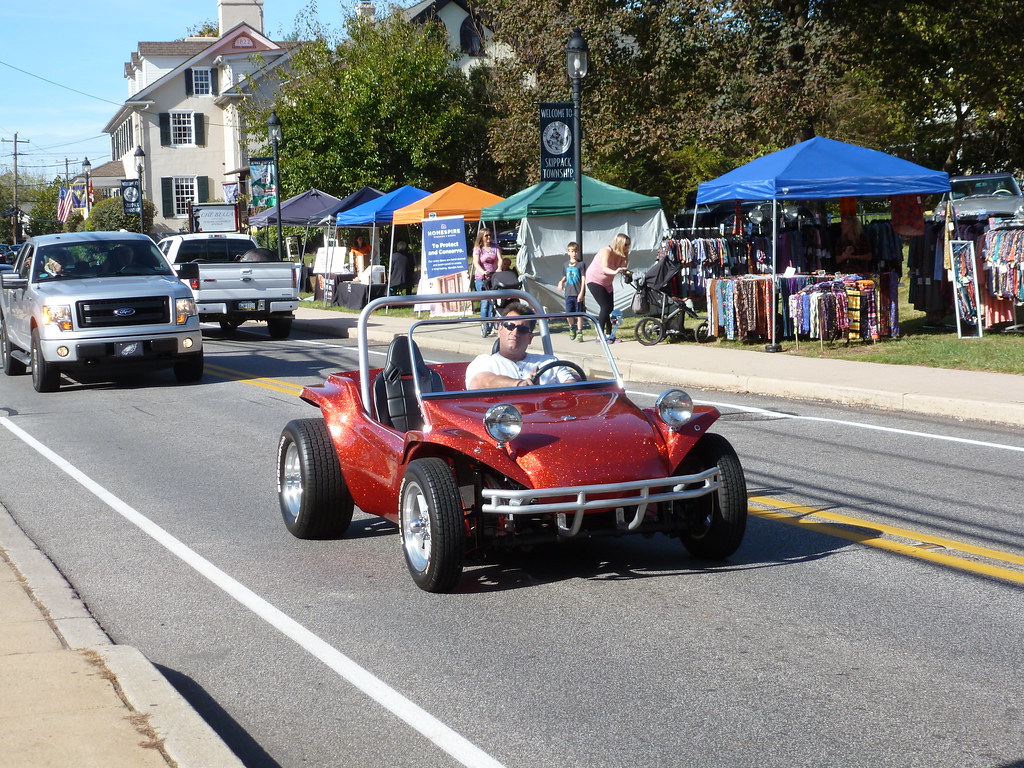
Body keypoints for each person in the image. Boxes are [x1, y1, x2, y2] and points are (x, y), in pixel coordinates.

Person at [465, 301, 581, 389]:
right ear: (500, 330)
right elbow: (480, 382)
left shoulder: (549, 362)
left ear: (530, 338)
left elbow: (572, 387)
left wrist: (543, 392)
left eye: (522, 329)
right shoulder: (485, 361)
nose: (515, 332)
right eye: (509, 326)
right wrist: (519, 384)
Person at [585, 233, 631, 342]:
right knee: (605, 307)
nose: (627, 247)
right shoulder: (606, 251)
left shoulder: (624, 254)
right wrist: (616, 271)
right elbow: (605, 269)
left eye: (628, 244)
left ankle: (610, 334)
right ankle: (600, 335)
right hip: (594, 280)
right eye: (625, 244)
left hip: (607, 283)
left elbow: (624, 268)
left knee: (610, 308)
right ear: (619, 243)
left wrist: (627, 275)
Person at [471, 229, 502, 335]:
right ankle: (484, 325)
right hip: (482, 278)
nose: (489, 237)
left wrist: (499, 268)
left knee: (492, 302)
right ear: (481, 237)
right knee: (485, 303)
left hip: (493, 277)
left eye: (490, 235)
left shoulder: (495, 247)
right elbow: (475, 262)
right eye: (486, 236)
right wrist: (483, 271)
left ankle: (492, 324)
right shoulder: (478, 249)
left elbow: (500, 259)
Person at [556, 241, 587, 341]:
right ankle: (571, 327)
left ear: (578, 252)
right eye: (572, 251)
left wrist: (582, 292)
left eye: (575, 251)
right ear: (568, 252)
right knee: (568, 314)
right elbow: (565, 276)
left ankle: (579, 331)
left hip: (577, 293)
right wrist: (561, 282)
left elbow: (583, 279)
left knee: (579, 314)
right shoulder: (565, 264)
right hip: (568, 293)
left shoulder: (581, 264)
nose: (574, 254)